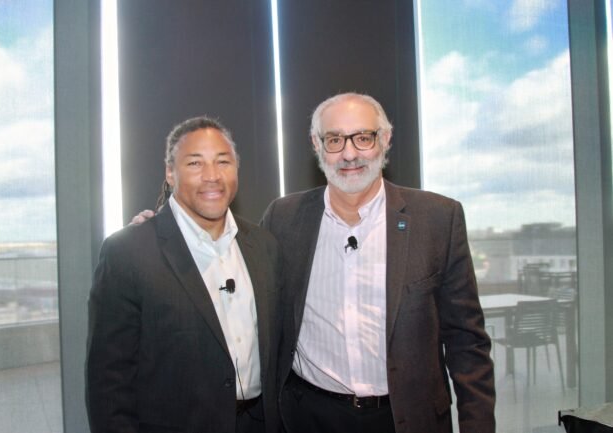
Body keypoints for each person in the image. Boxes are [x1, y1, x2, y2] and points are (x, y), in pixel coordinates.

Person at [259, 93, 495, 433]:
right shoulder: (283, 218)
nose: (349, 154)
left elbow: (467, 342)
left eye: (363, 138)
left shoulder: (437, 219)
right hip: (310, 417)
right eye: (335, 140)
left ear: (385, 139)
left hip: (406, 419)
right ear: (316, 145)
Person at [85, 117, 282, 433]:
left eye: (223, 162)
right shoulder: (128, 252)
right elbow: (109, 381)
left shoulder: (263, 245)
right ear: (170, 172)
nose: (212, 176)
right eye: (195, 163)